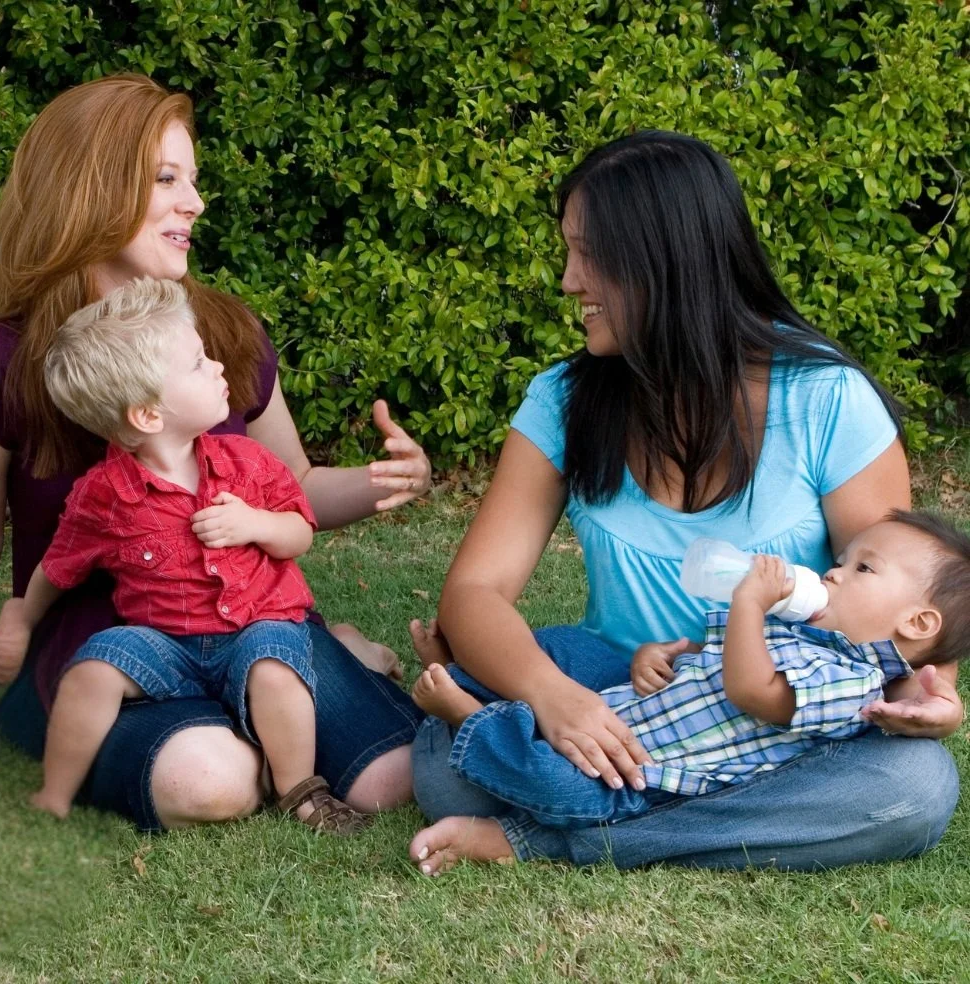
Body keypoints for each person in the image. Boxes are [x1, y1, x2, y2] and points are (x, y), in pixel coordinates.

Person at [407, 131, 964, 875]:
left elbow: (898, 589)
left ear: (662, 261)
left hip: (768, 730)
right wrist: (553, 696)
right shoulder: (565, 401)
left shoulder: (826, 398)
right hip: (619, 690)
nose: (570, 281)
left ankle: (556, 835)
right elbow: (475, 591)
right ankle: (622, 801)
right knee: (447, 771)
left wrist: (935, 692)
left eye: (587, 254)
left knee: (913, 790)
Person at [0, 74, 427, 832]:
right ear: (90, 188)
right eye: (166, 179)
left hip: (250, 616)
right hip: (108, 645)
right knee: (214, 785)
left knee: (390, 780)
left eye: (194, 180)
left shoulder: (226, 333)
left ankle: (326, 657)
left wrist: (387, 481)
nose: (195, 203)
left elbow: (296, 486)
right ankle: (262, 695)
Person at [0, 278, 371, 834]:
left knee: (277, 662)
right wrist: (20, 621)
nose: (217, 367)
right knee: (94, 666)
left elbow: (299, 532)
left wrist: (253, 524)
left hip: (256, 626)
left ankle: (300, 792)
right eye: (196, 363)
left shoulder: (245, 462)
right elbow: (57, 566)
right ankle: (54, 794)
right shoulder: (104, 495)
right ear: (147, 415)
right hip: (167, 645)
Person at [412, 511, 970, 830]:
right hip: (626, 712)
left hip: (638, 779)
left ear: (918, 623)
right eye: (843, 560)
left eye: (863, 568)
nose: (833, 572)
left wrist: (749, 603)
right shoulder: (805, 636)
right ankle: (463, 674)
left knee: (554, 782)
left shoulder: (850, 685)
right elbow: (710, 670)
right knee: (561, 646)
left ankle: (466, 716)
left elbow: (753, 691)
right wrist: (657, 661)